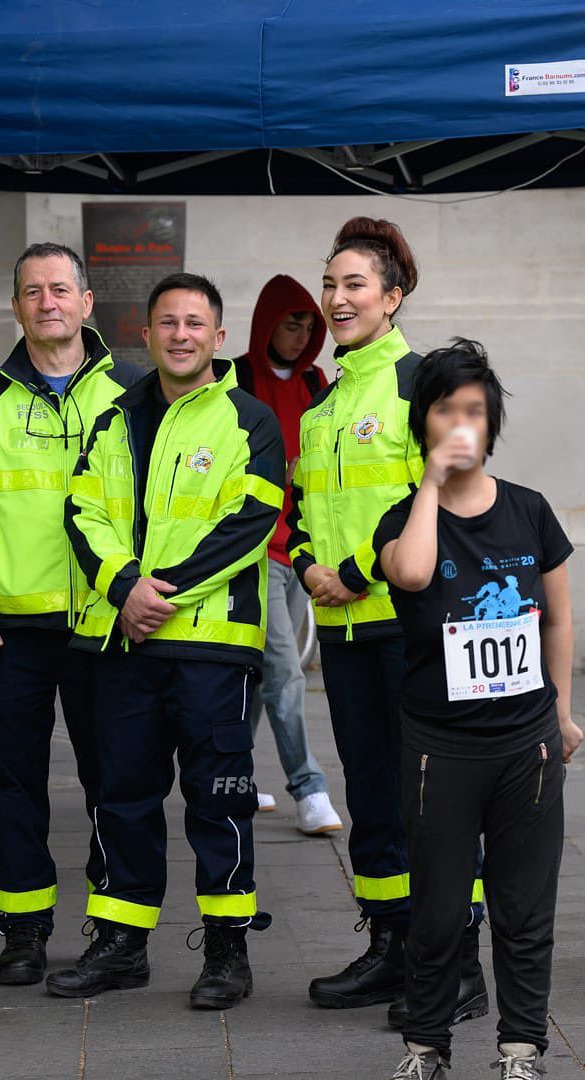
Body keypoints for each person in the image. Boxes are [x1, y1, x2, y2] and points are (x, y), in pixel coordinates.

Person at [48, 272, 285, 1009]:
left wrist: (158, 592)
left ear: (218, 337)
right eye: (168, 323)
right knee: (122, 796)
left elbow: (250, 523)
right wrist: (124, 588)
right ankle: (122, 944)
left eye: (195, 323)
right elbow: (82, 511)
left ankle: (227, 951)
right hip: (126, 644)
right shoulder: (114, 419)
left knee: (219, 799)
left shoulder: (249, 420)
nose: (181, 335)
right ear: (145, 334)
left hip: (211, 647)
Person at [287, 217, 487, 1018]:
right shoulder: (322, 405)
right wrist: (307, 565)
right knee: (371, 794)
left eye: (355, 285)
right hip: (344, 635)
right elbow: (302, 511)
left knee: (433, 799)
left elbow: (444, 499)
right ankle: (394, 947)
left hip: (413, 628)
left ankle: (459, 966)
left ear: (392, 297)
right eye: (329, 285)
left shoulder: (422, 386)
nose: (337, 299)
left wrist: (355, 572)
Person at [373, 340, 580, 1080]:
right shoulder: (402, 519)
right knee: (437, 910)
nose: (461, 424)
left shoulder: (529, 510)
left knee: (525, 910)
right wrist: (432, 482)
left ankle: (521, 1050)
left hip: (526, 744)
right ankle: (426, 1048)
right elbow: (413, 573)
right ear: (422, 423)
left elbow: (558, 617)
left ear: (491, 424)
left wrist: (562, 712)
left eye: (474, 411)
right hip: (441, 748)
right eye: (444, 410)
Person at [0, 243, 139, 985]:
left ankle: (114, 930)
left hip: (104, 624)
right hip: (10, 630)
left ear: (87, 302)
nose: (47, 302)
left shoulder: (135, 391)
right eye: (32, 291)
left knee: (113, 781)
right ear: (16, 307)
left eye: (60, 289)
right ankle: (22, 929)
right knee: (15, 783)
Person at [232, 275, 342, 834]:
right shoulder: (237, 377)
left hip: (303, 551)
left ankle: (237, 778)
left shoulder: (318, 381)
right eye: (290, 324)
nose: (300, 336)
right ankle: (310, 788)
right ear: (267, 325)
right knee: (285, 670)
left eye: (307, 327)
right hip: (255, 552)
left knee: (263, 674)